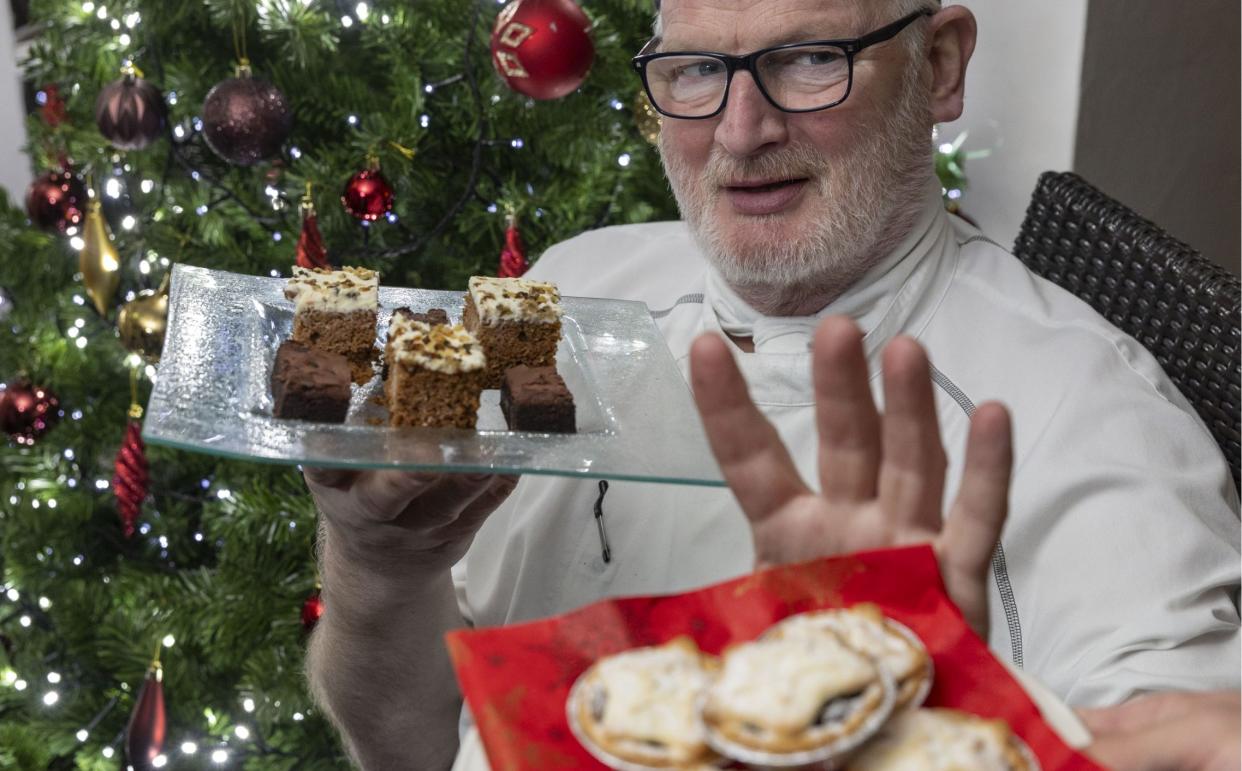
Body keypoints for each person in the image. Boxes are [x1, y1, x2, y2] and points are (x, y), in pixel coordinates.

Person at [305, 1, 1241, 768]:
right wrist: (380, 569)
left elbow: (1180, 732)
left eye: (808, 59)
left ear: (942, 66)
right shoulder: (577, 288)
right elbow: (422, 748)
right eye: (698, 71)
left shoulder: (1093, 425)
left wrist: (915, 715)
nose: (741, 132)